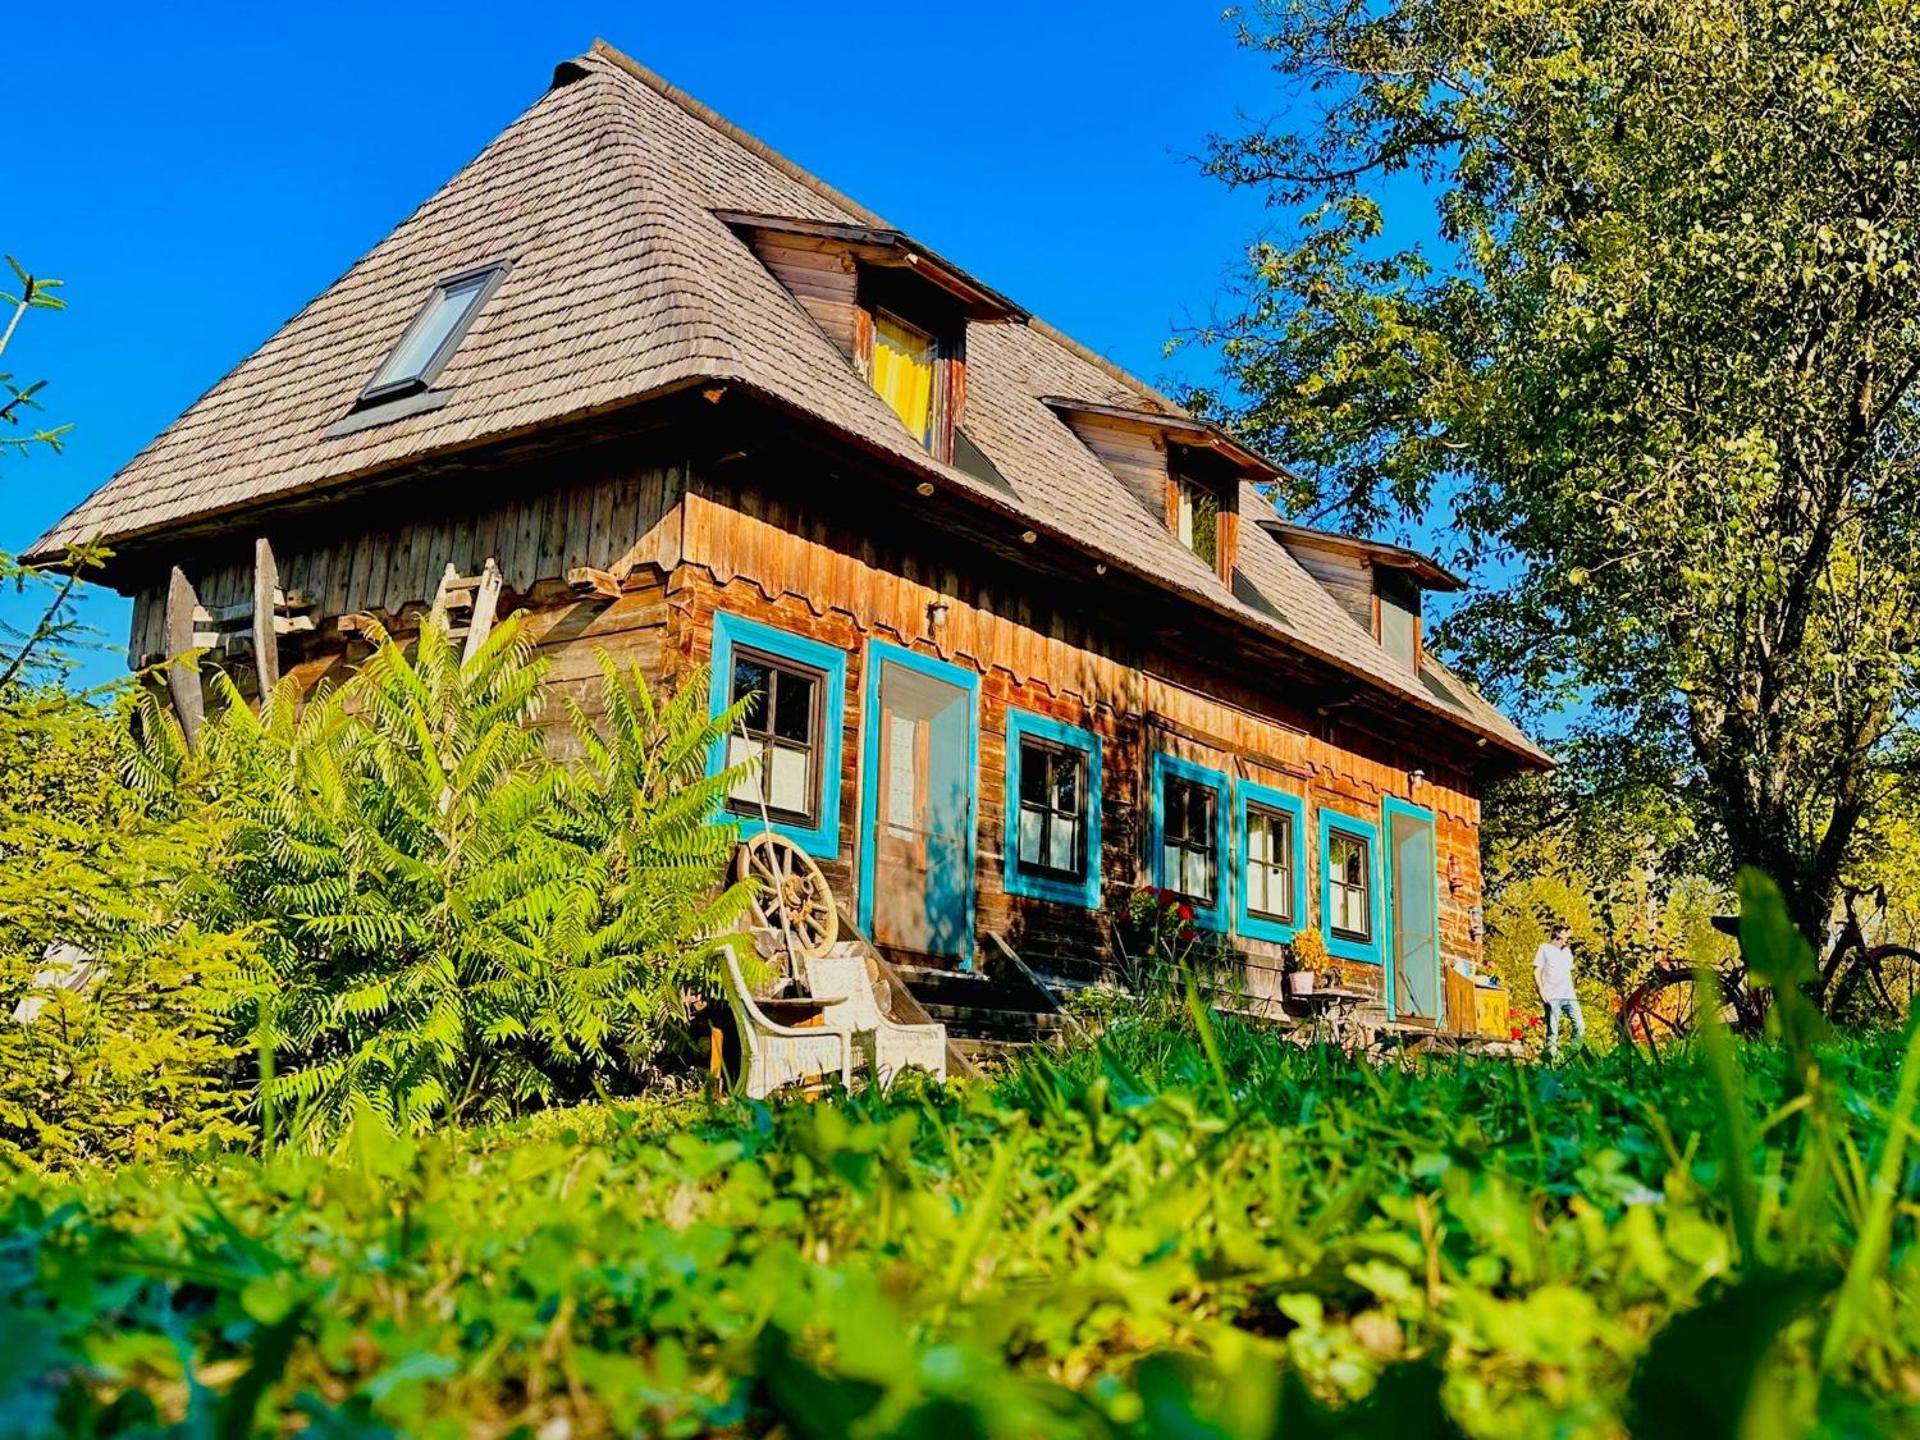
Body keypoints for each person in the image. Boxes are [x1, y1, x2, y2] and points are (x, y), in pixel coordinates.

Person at [1533, 922, 1585, 1058]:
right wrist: (1541, 991)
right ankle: (1550, 1060)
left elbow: (1569, 972)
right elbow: (1536, 971)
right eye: (1567, 935)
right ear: (1558, 934)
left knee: (1580, 1026)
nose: (1569, 939)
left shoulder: (1567, 952)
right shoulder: (1544, 948)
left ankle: (1569, 1054)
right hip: (1552, 996)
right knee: (1553, 1034)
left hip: (1569, 995)